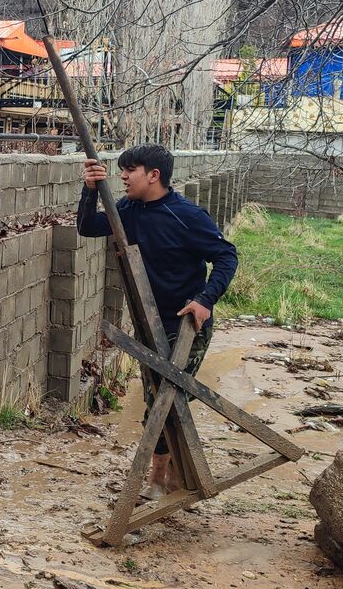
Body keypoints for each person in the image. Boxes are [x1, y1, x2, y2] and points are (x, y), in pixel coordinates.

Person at [77, 144, 237, 499]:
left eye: (130, 169)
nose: (122, 176)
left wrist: (205, 300)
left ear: (154, 175)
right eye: (121, 169)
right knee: (158, 397)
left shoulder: (187, 216)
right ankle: (177, 473)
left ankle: (158, 479)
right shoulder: (129, 210)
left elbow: (226, 256)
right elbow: (88, 227)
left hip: (185, 328)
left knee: (166, 399)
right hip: (148, 324)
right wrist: (89, 191)